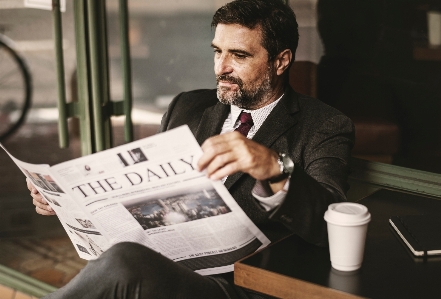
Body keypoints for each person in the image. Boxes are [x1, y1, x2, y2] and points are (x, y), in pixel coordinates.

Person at [27, 0, 354, 298]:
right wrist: (70, 201)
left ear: (281, 61)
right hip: (168, 265)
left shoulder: (323, 125)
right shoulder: (187, 107)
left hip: (237, 286)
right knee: (120, 263)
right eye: (217, 51)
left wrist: (275, 169)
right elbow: (140, 188)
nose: (221, 67)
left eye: (239, 56)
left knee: (124, 264)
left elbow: (330, 223)